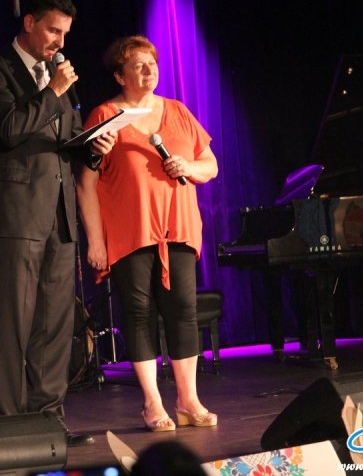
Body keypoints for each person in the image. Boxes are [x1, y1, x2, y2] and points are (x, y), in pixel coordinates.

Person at [0, 0, 115, 447]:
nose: (60, 42)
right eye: (53, 30)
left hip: (60, 215)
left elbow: (65, 145)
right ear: (29, 23)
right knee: (15, 324)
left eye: (65, 34)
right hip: (17, 214)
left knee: (56, 324)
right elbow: (9, 130)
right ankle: (9, 426)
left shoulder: (58, 77)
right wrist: (53, 92)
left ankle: (48, 420)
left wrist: (94, 149)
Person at [77, 35, 218, 432]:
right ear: (120, 76)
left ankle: (188, 400)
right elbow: (85, 184)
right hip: (130, 230)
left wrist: (188, 167)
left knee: (183, 311)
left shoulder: (177, 111)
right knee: (139, 314)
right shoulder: (105, 115)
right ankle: (152, 403)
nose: (148, 70)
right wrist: (96, 241)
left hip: (178, 227)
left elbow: (210, 164)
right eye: (138, 65)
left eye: (152, 64)